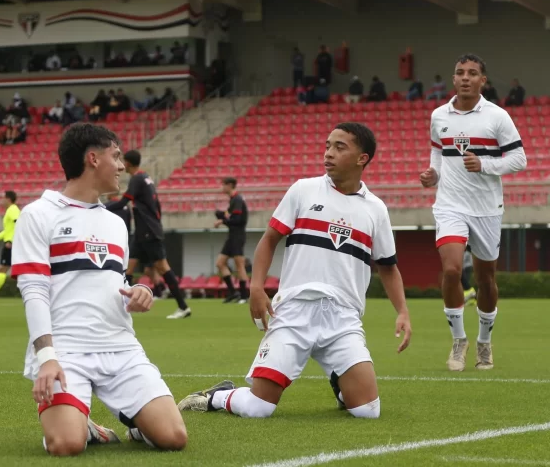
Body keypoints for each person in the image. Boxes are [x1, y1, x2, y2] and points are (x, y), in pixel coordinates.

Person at [178, 123, 411, 420]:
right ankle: (215, 397)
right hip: (294, 312)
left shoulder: (375, 209)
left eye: (340, 147)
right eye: (328, 145)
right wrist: (257, 287)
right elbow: (269, 240)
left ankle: (340, 380)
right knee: (258, 408)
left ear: (362, 158)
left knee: (367, 411)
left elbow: (388, 267)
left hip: (343, 318)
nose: (328, 153)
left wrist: (402, 311)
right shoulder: (303, 189)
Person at [12, 123, 187, 456]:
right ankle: (83, 425)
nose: (122, 166)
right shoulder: (37, 215)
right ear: (93, 158)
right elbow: (34, 290)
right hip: (66, 349)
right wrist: (47, 359)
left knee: (173, 437)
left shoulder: (115, 222)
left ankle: (133, 420)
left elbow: (114, 281)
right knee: (66, 444)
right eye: (116, 156)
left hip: (120, 347)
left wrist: (137, 291)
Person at [420, 53, 526, 372]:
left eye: (472, 73)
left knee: (485, 279)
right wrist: (432, 176)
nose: (465, 77)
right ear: (453, 79)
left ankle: (483, 342)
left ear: (483, 80)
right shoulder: (439, 115)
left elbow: (519, 159)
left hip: (486, 209)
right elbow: (438, 157)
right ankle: (458, 341)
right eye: (460, 72)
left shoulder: (497, 117)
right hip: (450, 205)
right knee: (452, 270)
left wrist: (485, 165)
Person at [105, 151, 191, 319]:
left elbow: (123, 202)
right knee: (128, 267)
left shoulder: (137, 179)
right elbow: (157, 207)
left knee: (163, 267)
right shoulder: (147, 178)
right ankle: (120, 307)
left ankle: (183, 306)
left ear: (128, 163)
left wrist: (101, 207)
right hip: (144, 231)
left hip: (148, 231)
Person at [214, 177, 249, 304]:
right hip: (231, 236)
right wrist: (222, 216)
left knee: (239, 265)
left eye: (223, 184)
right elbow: (231, 218)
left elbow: (238, 220)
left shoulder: (238, 199)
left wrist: (222, 220)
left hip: (238, 236)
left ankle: (244, 296)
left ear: (230, 185)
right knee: (220, 263)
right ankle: (233, 292)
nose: (222, 187)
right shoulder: (233, 200)